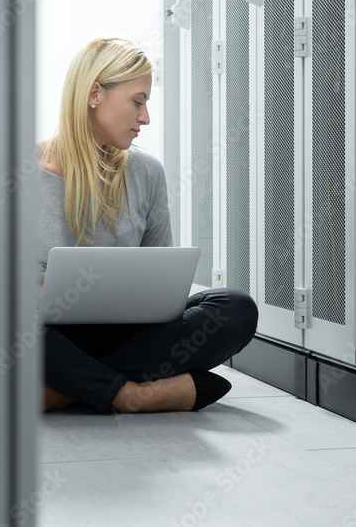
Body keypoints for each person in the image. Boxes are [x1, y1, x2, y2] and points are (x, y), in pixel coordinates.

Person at [36, 35, 258, 414]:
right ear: (94, 93)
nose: (145, 118)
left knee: (235, 307)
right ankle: (133, 395)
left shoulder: (147, 173)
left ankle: (66, 391)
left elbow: (162, 288)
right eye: (138, 102)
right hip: (47, 336)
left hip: (123, 332)